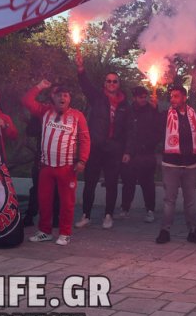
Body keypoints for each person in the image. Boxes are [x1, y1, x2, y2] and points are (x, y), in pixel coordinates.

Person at [22, 80, 90, 246]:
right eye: (59, 95)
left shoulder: (77, 116)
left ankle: (65, 233)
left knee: (67, 203)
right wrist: (39, 86)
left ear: (69, 99)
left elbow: (85, 139)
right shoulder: (45, 111)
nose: (62, 97)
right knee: (44, 201)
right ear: (53, 97)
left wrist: (82, 160)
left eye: (65, 95)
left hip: (67, 168)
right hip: (46, 167)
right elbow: (26, 101)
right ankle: (45, 231)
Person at [75, 56, 129, 229]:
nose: (111, 84)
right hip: (96, 147)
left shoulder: (125, 105)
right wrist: (81, 69)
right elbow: (85, 85)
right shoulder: (97, 98)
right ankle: (86, 215)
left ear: (118, 84)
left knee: (112, 183)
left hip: (114, 149)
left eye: (114, 81)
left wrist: (127, 150)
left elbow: (129, 130)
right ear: (104, 83)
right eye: (109, 81)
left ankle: (108, 215)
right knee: (90, 182)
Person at [158, 84, 196, 245]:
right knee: (169, 200)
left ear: (184, 98)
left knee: (190, 201)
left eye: (176, 96)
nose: (172, 99)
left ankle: (193, 231)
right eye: (171, 96)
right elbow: (154, 127)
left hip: (191, 164)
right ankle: (165, 231)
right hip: (171, 164)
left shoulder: (194, 114)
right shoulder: (165, 115)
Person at [120, 86, 164, 223]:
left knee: (148, 184)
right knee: (128, 183)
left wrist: (150, 144)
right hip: (132, 154)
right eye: (141, 97)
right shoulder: (128, 111)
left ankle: (150, 210)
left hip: (147, 154)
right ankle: (125, 209)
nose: (143, 99)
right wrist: (126, 151)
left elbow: (158, 130)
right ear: (134, 97)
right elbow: (125, 132)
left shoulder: (152, 110)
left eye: (145, 97)